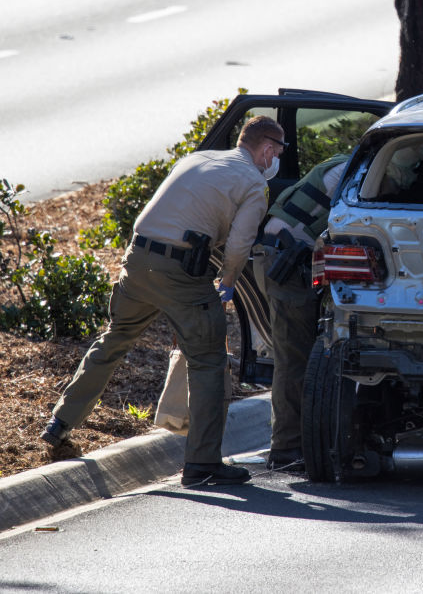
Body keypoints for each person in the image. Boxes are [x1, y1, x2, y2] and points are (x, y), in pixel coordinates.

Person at [40, 116, 287, 487]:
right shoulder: (253, 182)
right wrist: (228, 283)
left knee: (114, 338)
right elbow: (238, 246)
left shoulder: (196, 158)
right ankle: (203, 464)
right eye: (278, 153)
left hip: (137, 261)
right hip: (182, 273)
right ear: (267, 149)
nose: (277, 160)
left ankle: (60, 422)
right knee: (208, 361)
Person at [253, 153, 349, 472]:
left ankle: (302, 443)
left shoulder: (344, 161)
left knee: (298, 355)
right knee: (294, 359)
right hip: (287, 263)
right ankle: (287, 448)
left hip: (281, 255)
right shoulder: (363, 169)